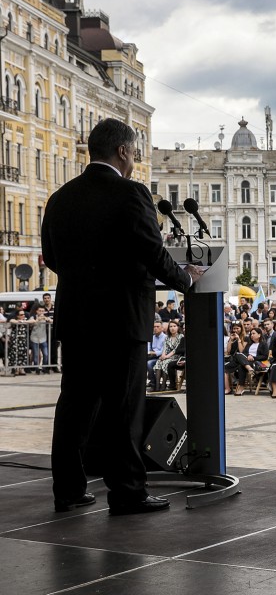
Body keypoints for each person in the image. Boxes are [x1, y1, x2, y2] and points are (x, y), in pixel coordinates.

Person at [42, 118, 200, 516]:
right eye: (135, 152)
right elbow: (154, 253)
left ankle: (69, 490)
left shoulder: (60, 198)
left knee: (74, 408)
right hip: (122, 321)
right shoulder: (132, 193)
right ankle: (127, 492)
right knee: (122, 410)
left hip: (77, 320)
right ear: (124, 152)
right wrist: (187, 280)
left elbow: (55, 260)